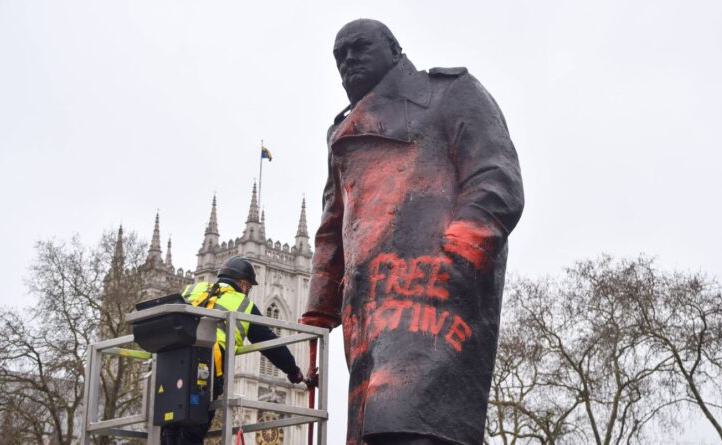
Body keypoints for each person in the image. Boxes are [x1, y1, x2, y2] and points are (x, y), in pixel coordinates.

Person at [302, 19, 524, 445]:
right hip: (366, 310)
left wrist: (459, 253)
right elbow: (333, 223)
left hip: (436, 296)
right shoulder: (341, 134)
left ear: (394, 49)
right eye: (339, 56)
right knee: (374, 427)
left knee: (414, 421)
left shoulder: (451, 93)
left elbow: (496, 177)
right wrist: (320, 307)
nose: (347, 61)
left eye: (359, 48)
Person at [161, 255, 305, 445]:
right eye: (249, 288)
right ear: (243, 284)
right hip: (205, 367)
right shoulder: (242, 304)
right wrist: (293, 371)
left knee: (170, 426)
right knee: (193, 429)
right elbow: (270, 343)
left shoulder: (194, 288)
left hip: (169, 362)